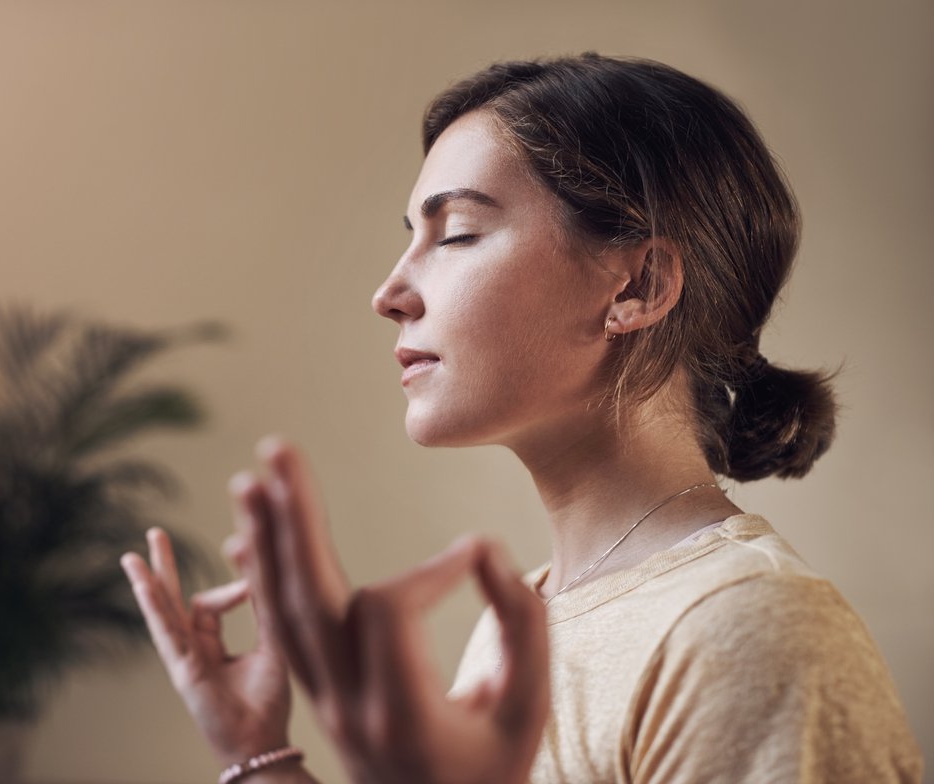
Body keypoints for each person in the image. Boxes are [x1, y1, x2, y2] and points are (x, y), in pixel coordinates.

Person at [121, 54, 923, 783]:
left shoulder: (749, 629)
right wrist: (257, 751)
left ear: (638, 286)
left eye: (456, 234)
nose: (389, 294)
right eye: (413, 238)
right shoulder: (525, 623)